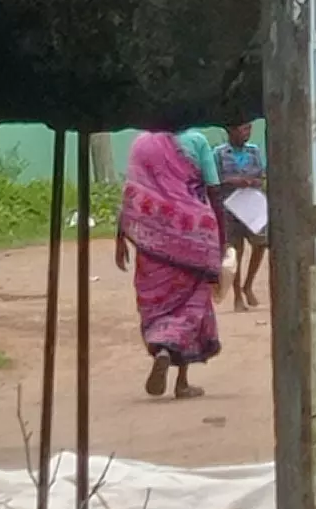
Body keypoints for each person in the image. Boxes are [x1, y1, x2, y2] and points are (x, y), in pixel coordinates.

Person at [115, 124, 228, 399]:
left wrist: (120, 237)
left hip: (152, 240)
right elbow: (213, 190)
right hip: (195, 235)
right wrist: (221, 238)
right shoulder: (197, 141)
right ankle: (181, 379)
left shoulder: (141, 143)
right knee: (193, 305)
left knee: (158, 303)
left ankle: (163, 350)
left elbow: (131, 194)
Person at [211, 118, 271, 306]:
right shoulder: (219, 153)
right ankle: (237, 294)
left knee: (261, 244)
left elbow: (260, 175)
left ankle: (248, 284)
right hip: (230, 207)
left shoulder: (254, 151)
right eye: (243, 129)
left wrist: (254, 182)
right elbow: (215, 179)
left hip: (252, 206)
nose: (247, 133)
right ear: (231, 131)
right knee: (235, 251)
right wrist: (235, 181)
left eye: (249, 128)